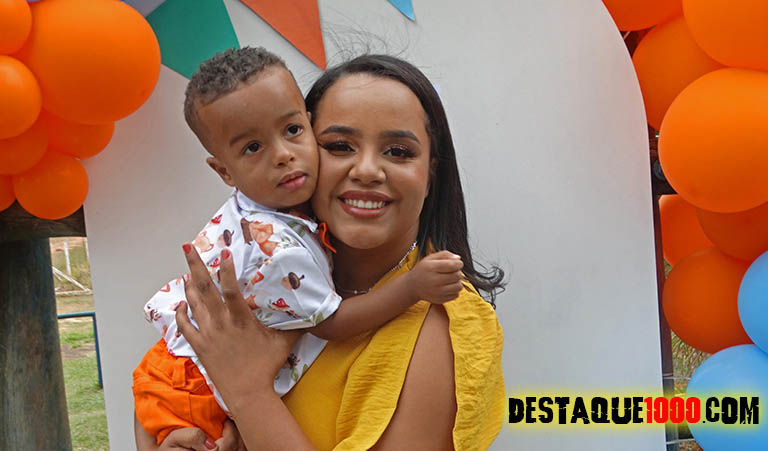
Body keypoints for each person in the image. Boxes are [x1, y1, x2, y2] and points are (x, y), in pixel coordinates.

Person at [135, 54, 506, 451]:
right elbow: (165, 372)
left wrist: (248, 394)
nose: (367, 170)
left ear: (431, 171)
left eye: (398, 151)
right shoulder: (263, 263)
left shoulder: (441, 323)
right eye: (340, 146)